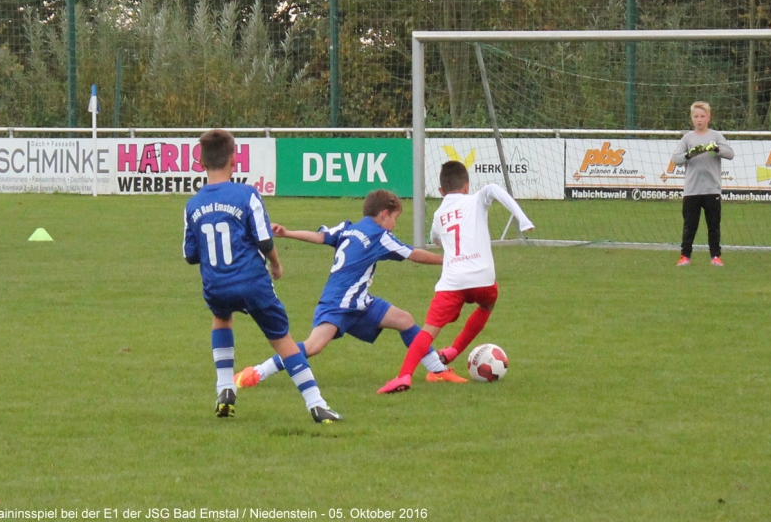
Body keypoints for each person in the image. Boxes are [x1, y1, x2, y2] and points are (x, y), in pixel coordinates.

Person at [233, 189, 469, 389]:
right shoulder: (380, 235)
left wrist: (288, 232)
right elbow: (413, 254)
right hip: (338, 303)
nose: (395, 224)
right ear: (384, 214)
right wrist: (448, 260)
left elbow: (319, 236)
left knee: (404, 320)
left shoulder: (348, 228)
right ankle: (256, 372)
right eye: (395, 218)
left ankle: (437, 370)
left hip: (360, 302)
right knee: (313, 346)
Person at [182, 129, 341, 423]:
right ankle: (316, 404)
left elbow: (190, 255)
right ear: (234, 159)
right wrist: (276, 265)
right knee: (283, 340)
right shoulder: (247, 195)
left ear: (201, 162)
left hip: (216, 284)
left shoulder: (193, 204)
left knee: (221, 317)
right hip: (252, 282)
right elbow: (265, 240)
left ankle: (225, 387)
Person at [378, 161, 535, 394]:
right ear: (467, 186)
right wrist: (523, 220)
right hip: (483, 279)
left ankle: (404, 376)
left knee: (428, 331)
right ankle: (453, 351)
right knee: (487, 304)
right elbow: (493, 189)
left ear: (441, 191)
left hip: (452, 283)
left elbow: (435, 240)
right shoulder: (476, 199)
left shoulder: (439, 214)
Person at [670, 101, 734, 266]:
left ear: (709, 117)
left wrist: (716, 149)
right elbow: (676, 159)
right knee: (689, 226)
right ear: (692, 118)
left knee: (713, 226)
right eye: (696, 116)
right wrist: (689, 155)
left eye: (702, 116)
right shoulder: (688, 138)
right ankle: (685, 256)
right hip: (692, 191)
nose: (699, 119)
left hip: (712, 190)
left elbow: (730, 153)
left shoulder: (715, 136)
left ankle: (715, 256)